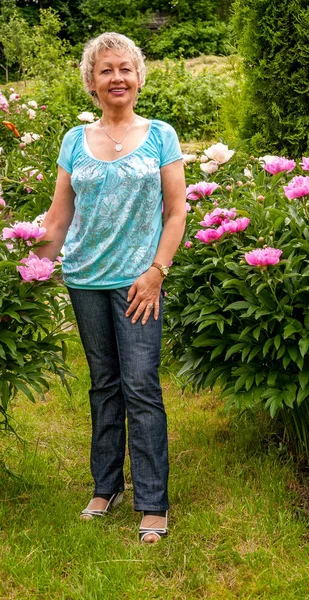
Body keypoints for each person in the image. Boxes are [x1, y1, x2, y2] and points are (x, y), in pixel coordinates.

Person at [36, 32, 187, 543]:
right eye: (106, 70)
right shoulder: (73, 141)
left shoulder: (161, 134)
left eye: (125, 68)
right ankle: (105, 486)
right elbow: (59, 217)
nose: (117, 77)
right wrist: (32, 275)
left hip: (139, 283)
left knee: (140, 386)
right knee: (103, 384)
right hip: (85, 280)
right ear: (91, 82)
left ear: (139, 77)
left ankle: (152, 500)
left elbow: (176, 211)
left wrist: (156, 271)